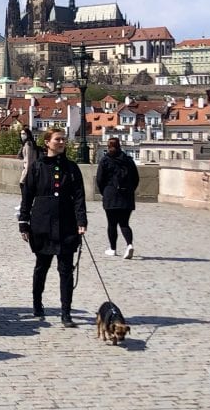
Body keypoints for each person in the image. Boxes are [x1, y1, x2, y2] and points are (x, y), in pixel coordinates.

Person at [18, 127, 87, 327]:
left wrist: (81, 221)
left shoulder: (72, 168)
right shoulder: (37, 167)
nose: (61, 142)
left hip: (66, 224)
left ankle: (66, 312)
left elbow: (79, 197)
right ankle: (37, 304)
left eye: (63, 139)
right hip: (42, 224)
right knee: (42, 266)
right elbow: (27, 196)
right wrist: (24, 222)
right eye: (57, 139)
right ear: (47, 142)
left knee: (66, 270)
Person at [95, 137, 139, 259]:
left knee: (112, 224)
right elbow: (136, 179)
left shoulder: (105, 161)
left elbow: (99, 179)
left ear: (108, 147)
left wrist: (105, 192)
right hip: (127, 196)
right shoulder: (129, 160)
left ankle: (113, 249)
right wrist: (130, 191)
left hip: (111, 194)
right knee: (124, 223)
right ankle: (129, 244)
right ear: (120, 146)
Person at [18, 127, 38, 191]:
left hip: (28, 171)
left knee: (24, 192)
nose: (22, 136)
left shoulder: (28, 144)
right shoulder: (30, 143)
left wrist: (24, 177)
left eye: (24, 134)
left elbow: (28, 160)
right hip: (31, 171)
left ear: (28, 134)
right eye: (21, 134)